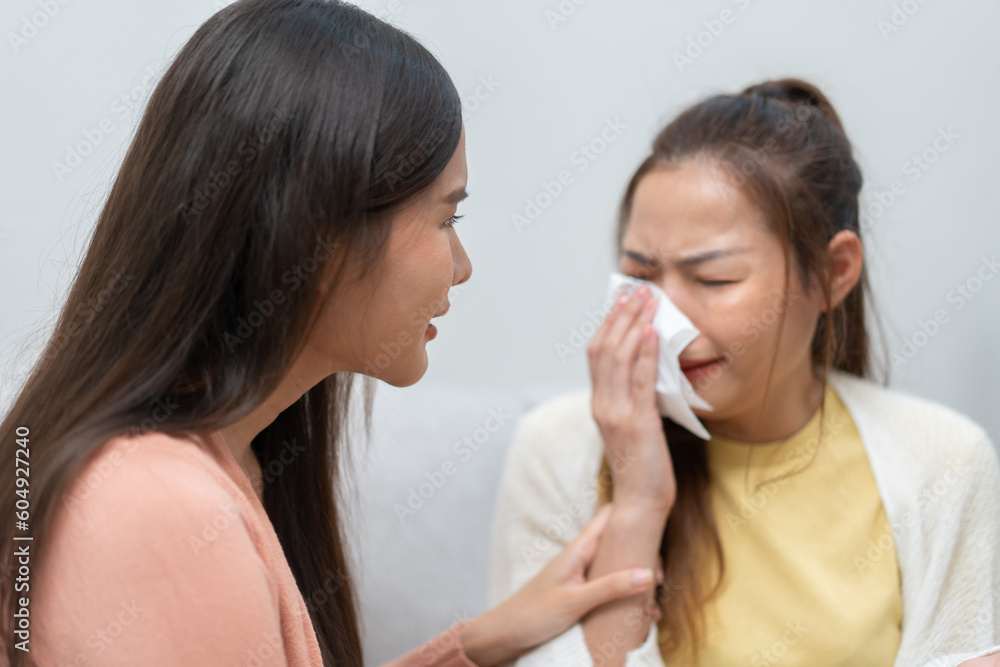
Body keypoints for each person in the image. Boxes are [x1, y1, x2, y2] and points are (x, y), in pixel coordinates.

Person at [0, 1, 661, 665]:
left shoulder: (215, 462)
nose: (462, 267)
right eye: (445, 218)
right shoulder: (163, 507)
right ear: (317, 230)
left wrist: (473, 645)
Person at [486, 78, 1000, 666]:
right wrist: (636, 504)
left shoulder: (942, 461)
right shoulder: (557, 450)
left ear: (834, 272)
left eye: (715, 280)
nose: (665, 320)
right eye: (640, 276)